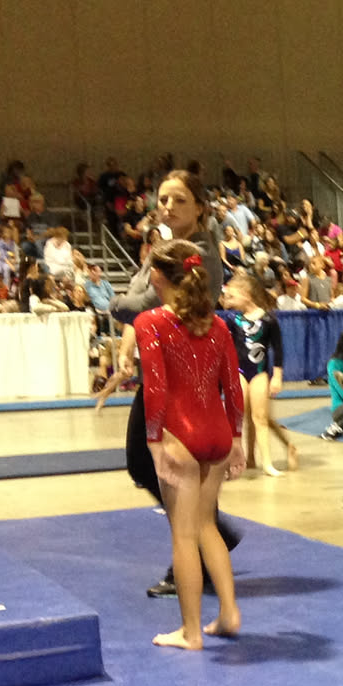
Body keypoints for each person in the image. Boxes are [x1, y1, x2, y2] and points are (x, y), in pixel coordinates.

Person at [110, 168, 240, 599]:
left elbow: (143, 302)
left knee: (159, 463)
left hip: (185, 376)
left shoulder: (198, 254)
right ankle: (207, 538)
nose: (168, 206)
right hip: (164, 369)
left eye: (180, 199)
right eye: (164, 199)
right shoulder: (166, 248)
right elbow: (145, 305)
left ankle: (201, 543)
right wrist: (129, 340)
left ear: (200, 208)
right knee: (157, 465)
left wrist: (117, 306)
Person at [134, 239, 245, 651]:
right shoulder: (216, 325)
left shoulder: (150, 322)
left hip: (179, 437)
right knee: (205, 526)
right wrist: (237, 438)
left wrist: (154, 441)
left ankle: (191, 631)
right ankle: (229, 613)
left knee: (183, 536)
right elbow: (232, 385)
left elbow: (155, 388)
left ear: (157, 276)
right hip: (217, 433)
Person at [224, 269, 300, 476]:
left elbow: (278, 349)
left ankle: (267, 462)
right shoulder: (232, 320)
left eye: (232, 296)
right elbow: (225, 348)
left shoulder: (268, 319)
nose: (228, 301)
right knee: (239, 416)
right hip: (239, 372)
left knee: (260, 418)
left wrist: (277, 376)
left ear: (246, 295)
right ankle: (239, 459)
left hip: (259, 373)